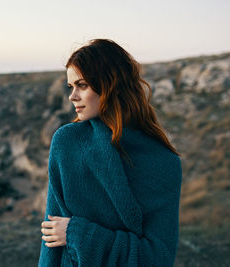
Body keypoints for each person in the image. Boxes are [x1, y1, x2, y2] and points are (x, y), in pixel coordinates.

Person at [38, 39, 182, 267]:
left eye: (82, 85)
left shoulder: (164, 162)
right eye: (70, 87)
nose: (72, 96)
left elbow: (158, 257)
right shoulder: (67, 143)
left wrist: (78, 234)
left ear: (110, 84)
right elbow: (51, 240)